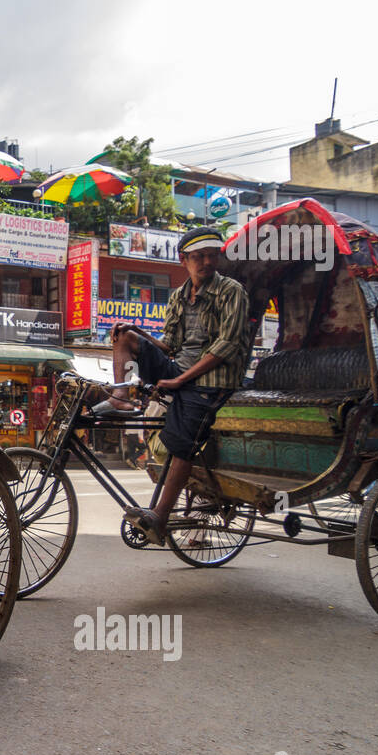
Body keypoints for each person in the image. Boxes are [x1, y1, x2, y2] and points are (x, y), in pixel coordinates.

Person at [99, 226, 253, 544]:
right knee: (124, 335)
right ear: (184, 260)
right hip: (179, 370)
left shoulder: (231, 291)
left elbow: (228, 345)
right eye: (199, 257)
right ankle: (119, 396)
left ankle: (160, 518)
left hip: (213, 381)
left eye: (212, 255)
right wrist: (139, 331)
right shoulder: (179, 297)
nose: (207, 262)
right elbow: (169, 344)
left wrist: (181, 380)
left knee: (183, 442)